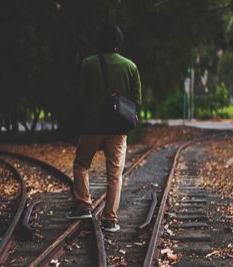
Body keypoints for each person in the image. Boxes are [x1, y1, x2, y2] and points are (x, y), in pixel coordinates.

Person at [66, 24, 142, 233]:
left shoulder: (88, 64)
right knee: (114, 175)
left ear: (99, 41)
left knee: (81, 164)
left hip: (91, 127)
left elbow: (79, 96)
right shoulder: (130, 67)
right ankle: (110, 219)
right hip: (118, 129)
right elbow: (136, 100)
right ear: (119, 42)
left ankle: (83, 205)